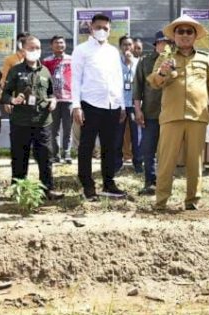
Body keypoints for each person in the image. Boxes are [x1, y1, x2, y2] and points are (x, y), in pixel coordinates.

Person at [148, 15, 209, 211]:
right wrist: (163, 72)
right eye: (180, 31)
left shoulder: (205, 59)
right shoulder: (165, 57)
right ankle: (161, 201)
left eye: (189, 31)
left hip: (198, 116)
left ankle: (192, 201)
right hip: (171, 116)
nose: (184, 35)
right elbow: (154, 82)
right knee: (166, 161)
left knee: (195, 162)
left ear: (195, 36)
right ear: (174, 35)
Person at [2, 35, 64, 200]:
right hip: (20, 122)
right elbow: (5, 94)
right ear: (23, 50)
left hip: (43, 122)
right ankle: (19, 191)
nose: (35, 51)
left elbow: (51, 93)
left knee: (45, 157)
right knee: (19, 158)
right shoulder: (15, 70)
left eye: (37, 48)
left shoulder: (45, 71)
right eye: (31, 48)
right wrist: (11, 100)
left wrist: (53, 101)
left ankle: (47, 189)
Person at [72, 14, 127, 201]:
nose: (102, 31)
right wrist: (76, 106)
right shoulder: (81, 50)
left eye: (106, 28)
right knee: (86, 147)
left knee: (110, 147)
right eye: (98, 27)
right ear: (91, 27)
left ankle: (109, 184)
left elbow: (117, 79)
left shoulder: (113, 51)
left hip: (112, 105)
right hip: (90, 104)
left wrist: (121, 105)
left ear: (110, 30)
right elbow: (75, 79)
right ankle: (87, 186)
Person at [134, 31, 170, 195]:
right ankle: (150, 182)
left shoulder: (175, 61)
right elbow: (138, 87)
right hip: (150, 111)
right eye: (162, 42)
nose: (165, 45)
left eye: (168, 42)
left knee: (168, 150)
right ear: (156, 44)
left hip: (170, 113)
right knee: (149, 149)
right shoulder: (145, 61)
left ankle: (164, 183)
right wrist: (137, 109)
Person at [42, 35, 73, 165]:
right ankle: (55, 155)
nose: (59, 45)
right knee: (54, 129)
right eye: (56, 43)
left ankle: (67, 153)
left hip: (69, 98)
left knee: (68, 128)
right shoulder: (46, 61)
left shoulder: (72, 60)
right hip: (53, 100)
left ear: (65, 45)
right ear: (51, 45)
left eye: (61, 43)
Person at [116, 35, 142, 173]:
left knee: (136, 135)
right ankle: (117, 163)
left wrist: (131, 62)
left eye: (130, 45)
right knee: (117, 135)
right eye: (124, 45)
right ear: (120, 47)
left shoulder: (138, 62)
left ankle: (138, 163)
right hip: (119, 103)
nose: (127, 47)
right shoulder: (115, 62)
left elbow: (140, 81)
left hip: (134, 103)